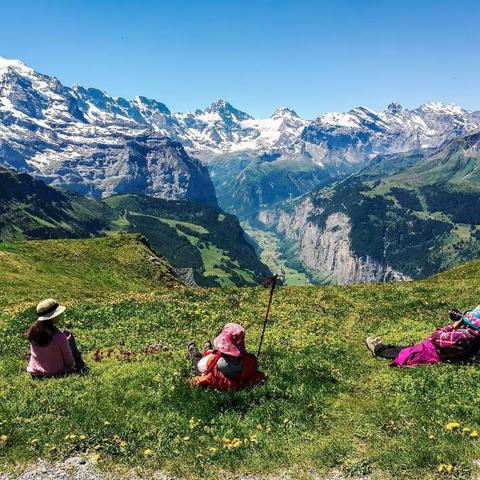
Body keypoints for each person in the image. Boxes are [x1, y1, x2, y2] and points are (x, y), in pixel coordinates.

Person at [365, 306, 480, 367]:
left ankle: (377, 349)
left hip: (432, 352)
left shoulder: (464, 336)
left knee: (404, 353)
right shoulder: (475, 337)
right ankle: (385, 347)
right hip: (447, 353)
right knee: (406, 348)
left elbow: (436, 337)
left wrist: (452, 326)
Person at [188, 322, 265, 391]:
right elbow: (257, 376)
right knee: (212, 354)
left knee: (197, 361)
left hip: (210, 369)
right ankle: (207, 349)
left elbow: (201, 367)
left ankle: (195, 352)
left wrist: (190, 382)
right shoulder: (249, 361)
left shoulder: (214, 361)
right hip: (239, 382)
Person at [26, 298, 87, 378]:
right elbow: (69, 361)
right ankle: (81, 363)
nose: (60, 315)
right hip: (56, 373)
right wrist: (73, 367)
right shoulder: (60, 336)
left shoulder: (32, 333)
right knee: (69, 336)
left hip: (35, 373)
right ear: (53, 316)